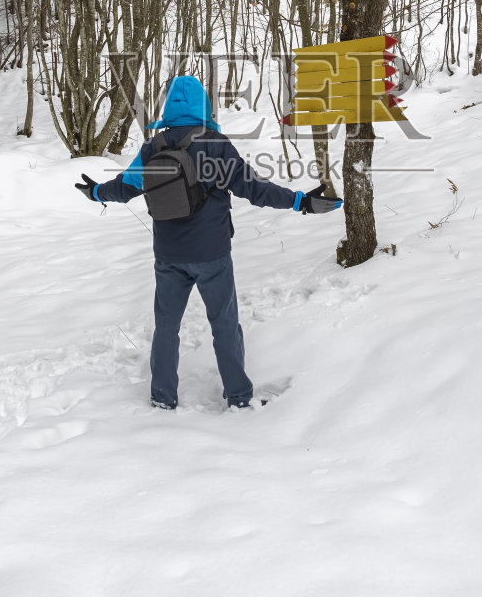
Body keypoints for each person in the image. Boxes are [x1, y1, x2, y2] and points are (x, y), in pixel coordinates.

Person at [75, 75, 341, 410]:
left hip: (168, 256)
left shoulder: (154, 147)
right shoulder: (215, 144)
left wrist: (95, 191)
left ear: (168, 107)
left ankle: (162, 397)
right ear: (204, 105)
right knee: (225, 324)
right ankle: (239, 397)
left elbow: (124, 189)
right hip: (212, 254)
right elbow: (255, 189)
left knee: (166, 327)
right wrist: (300, 200)